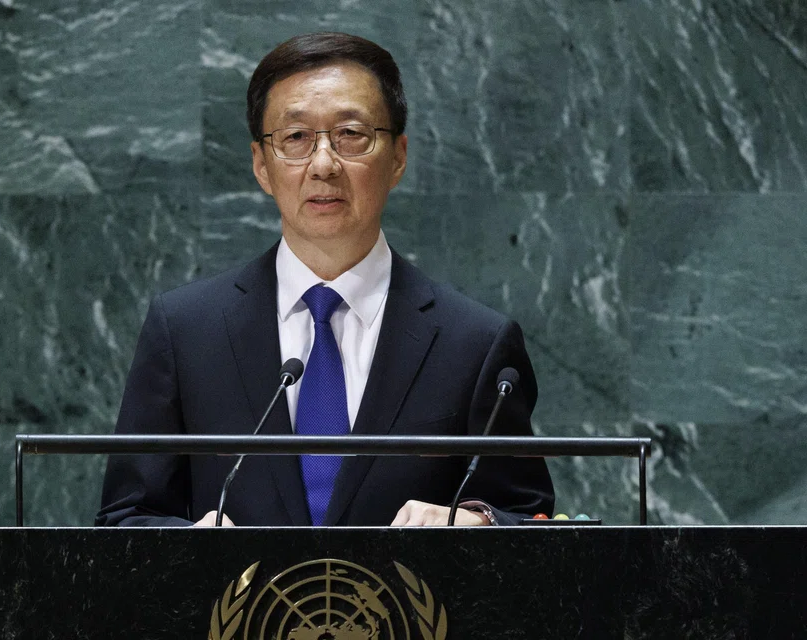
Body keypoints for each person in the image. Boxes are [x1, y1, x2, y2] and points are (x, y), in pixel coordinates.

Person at [96, 32, 553, 528]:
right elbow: (128, 517)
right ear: (261, 165)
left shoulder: (475, 342)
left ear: (398, 155)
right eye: (295, 138)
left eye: (351, 135)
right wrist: (187, 548)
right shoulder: (186, 331)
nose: (323, 164)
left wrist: (483, 521)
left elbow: (530, 519)